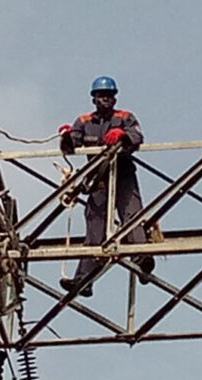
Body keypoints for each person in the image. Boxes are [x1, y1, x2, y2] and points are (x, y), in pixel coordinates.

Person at [57, 76, 154, 297]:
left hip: (123, 175)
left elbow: (137, 136)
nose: (105, 100)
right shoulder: (84, 121)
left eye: (109, 96)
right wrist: (66, 137)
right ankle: (83, 280)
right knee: (94, 227)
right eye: (101, 96)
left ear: (114, 97)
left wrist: (123, 136)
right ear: (94, 99)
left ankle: (142, 262)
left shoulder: (124, 117)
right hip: (98, 179)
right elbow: (73, 143)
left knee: (132, 216)